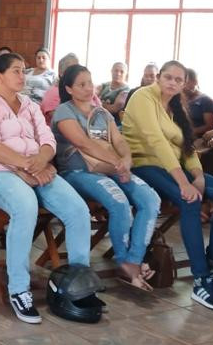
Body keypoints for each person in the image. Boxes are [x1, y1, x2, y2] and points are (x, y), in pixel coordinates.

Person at [0, 52, 92, 323]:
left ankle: (78, 284)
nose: (23, 76)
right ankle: (19, 289)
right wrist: (24, 167)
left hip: (37, 170)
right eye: (16, 71)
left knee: (78, 210)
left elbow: (47, 140)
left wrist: (41, 161)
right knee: (25, 206)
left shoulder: (29, 105)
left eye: (23, 71)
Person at [124, 60, 213, 313]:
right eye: (168, 77)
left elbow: (186, 146)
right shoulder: (143, 97)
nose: (173, 83)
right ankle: (201, 280)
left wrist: (197, 175)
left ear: (184, 83)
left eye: (179, 79)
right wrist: (183, 182)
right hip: (145, 164)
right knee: (190, 200)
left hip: (174, 166)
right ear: (159, 77)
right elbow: (156, 142)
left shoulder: (177, 106)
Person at [53, 64, 159, 290]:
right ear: (69, 89)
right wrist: (117, 162)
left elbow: (119, 141)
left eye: (90, 83)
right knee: (119, 201)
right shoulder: (64, 111)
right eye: (81, 84)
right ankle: (123, 261)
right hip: (78, 172)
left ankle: (134, 259)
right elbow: (83, 143)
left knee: (150, 199)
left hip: (112, 168)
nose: (88, 88)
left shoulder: (101, 113)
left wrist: (127, 159)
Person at [40, 53, 82, 123]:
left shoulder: (85, 89)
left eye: (78, 68)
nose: (77, 72)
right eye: (72, 69)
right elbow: (64, 121)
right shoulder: (53, 93)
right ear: (61, 72)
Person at [182, 69, 213, 138]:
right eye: (181, 82)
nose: (183, 86)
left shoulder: (205, 100)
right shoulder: (178, 98)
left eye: (186, 82)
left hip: (198, 138)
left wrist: (191, 131)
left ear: (195, 82)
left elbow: (210, 126)